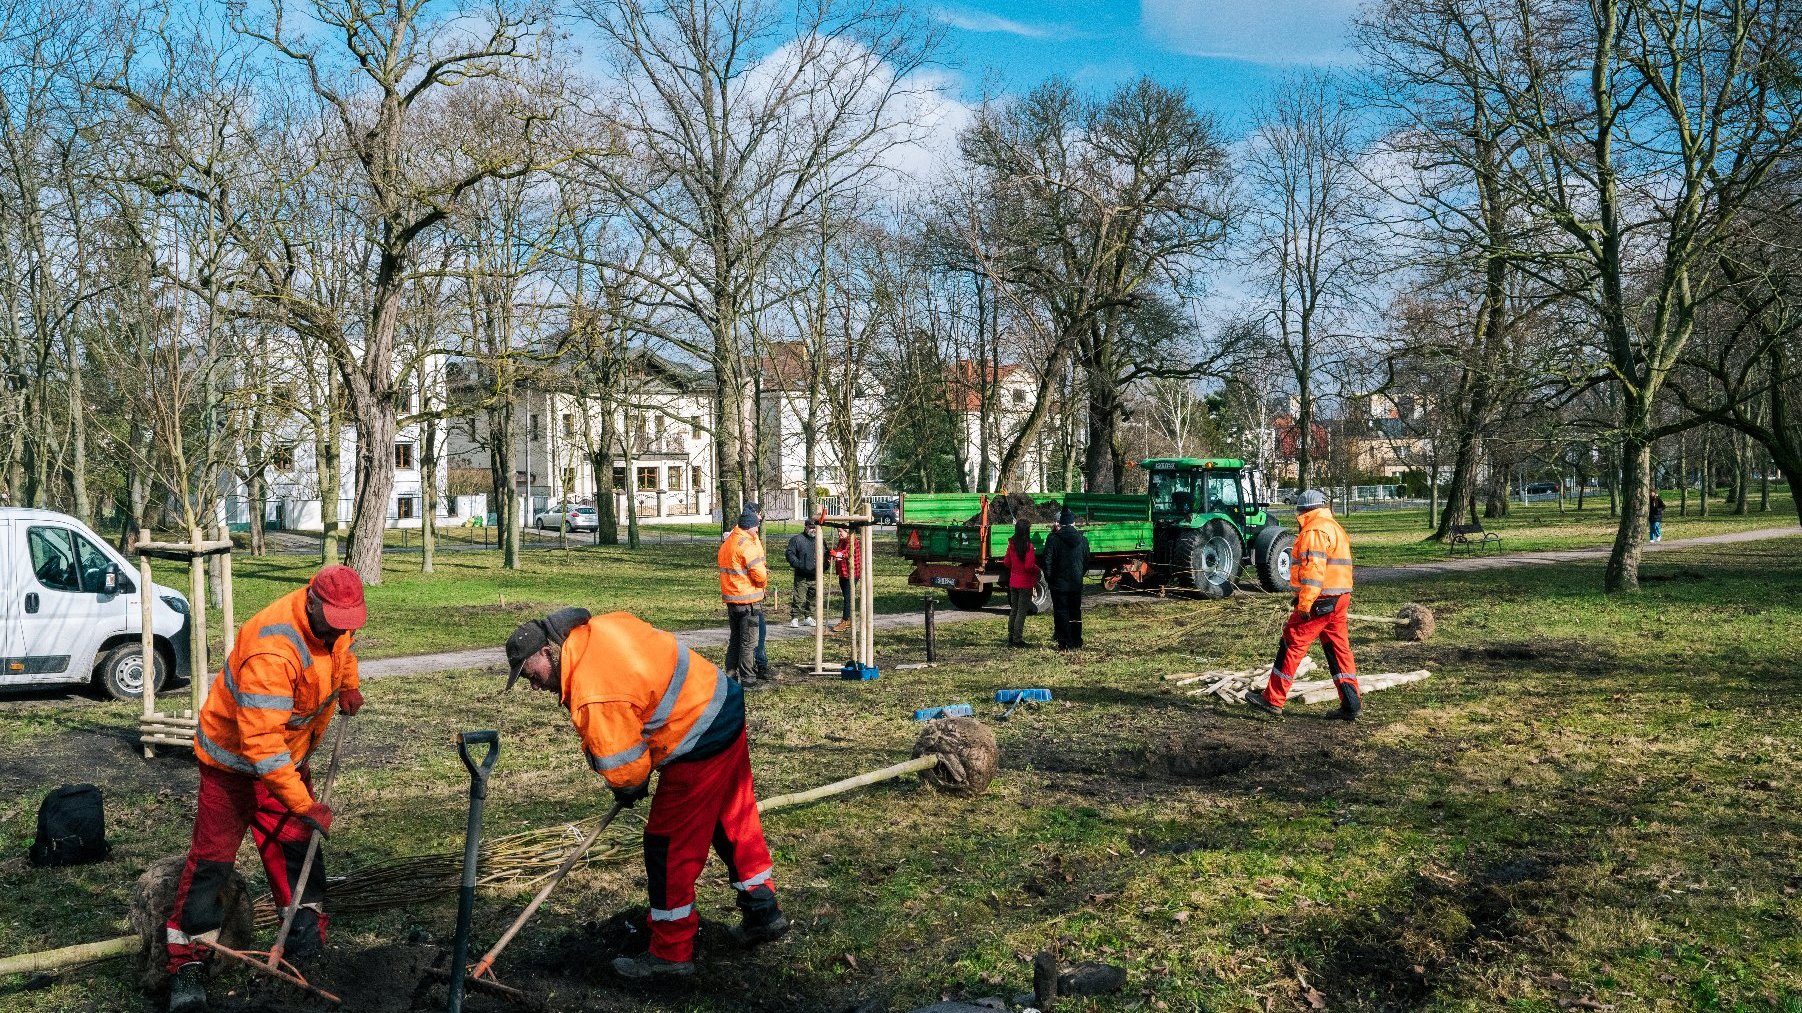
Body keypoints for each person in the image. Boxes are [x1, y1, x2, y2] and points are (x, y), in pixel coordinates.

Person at [504, 608, 787, 981]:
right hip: (722, 703)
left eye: (529, 674)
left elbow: (628, 769)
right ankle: (763, 911)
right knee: (732, 817)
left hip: (695, 735)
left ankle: (671, 954)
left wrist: (626, 787)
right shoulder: (598, 630)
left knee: (667, 847)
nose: (533, 686)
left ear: (546, 653)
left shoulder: (592, 690)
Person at [165, 565, 369, 1013]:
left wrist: (348, 685)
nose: (341, 629)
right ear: (311, 601)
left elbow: (342, 649)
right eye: (334, 620)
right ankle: (188, 963)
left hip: (286, 763)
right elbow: (261, 745)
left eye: (348, 621)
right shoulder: (271, 649)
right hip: (234, 768)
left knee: (297, 854)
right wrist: (303, 803)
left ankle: (304, 944)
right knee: (211, 866)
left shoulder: (333, 623)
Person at [1248, 489, 1360, 720]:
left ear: (1304, 510)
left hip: (1320, 600)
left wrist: (1305, 602)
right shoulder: (1334, 526)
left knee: (1292, 643)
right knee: (1338, 650)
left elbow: (1313, 572)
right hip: (1339, 597)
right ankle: (1351, 703)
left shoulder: (1313, 530)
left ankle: (1273, 700)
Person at [717, 505, 768, 685]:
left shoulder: (727, 543)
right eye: (756, 526)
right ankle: (748, 678)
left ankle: (730, 674)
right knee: (749, 642)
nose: (757, 529)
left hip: (732, 600)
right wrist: (763, 582)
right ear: (749, 526)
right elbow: (760, 574)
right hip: (748, 601)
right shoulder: (746, 545)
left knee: (735, 640)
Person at [1041, 507, 1089, 650]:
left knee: (1061, 612)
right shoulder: (1083, 540)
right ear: (1074, 523)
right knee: (1075, 611)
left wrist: (1050, 579)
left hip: (1059, 583)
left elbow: (1047, 561)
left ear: (1060, 523)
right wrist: (1079, 574)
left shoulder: (1053, 539)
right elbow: (1087, 561)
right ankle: (1076, 640)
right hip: (1075, 582)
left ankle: (1064, 642)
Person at [1001, 519, 1040, 648]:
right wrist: (1037, 569)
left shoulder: (1012, 544)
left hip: (1013, 582)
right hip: (1025, 583)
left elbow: (1006, 562)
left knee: (1014, 610)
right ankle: (1017, 640)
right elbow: (1029, 566)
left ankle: (1011, 637)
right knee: (1021, 612)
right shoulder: (1028, 546)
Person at [784, 518, 819, 629]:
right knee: (799, 597)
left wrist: (824, 565)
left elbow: (825, 554)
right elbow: (790, 554)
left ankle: (808, 617)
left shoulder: (819, 540)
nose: (813, 530)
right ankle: (795, 618)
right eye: (811, 527)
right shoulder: (797, 540)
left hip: (815, 574)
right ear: (806, 527)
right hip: (801, 575)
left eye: (815, 528)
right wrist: (798, 564)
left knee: (812, 598)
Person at [829, 527, 859, 634]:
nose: (839, 534)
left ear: (847, 531)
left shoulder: (853, 541)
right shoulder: (841, 541)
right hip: (842, 573)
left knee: (848, 598)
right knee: (846, 597)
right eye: (838, 532)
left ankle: (845, 620)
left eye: (840, 532)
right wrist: (832, 555)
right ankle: (849, 619)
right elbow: (838, 553)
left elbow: (847, 554)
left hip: (851, 574)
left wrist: (837, 554)